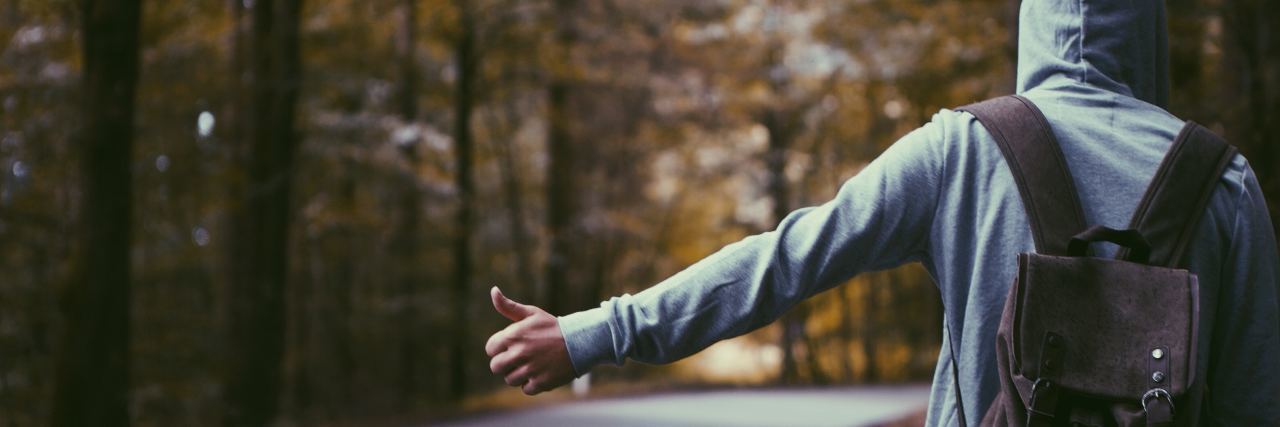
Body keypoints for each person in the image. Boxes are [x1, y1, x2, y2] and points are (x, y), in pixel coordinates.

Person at [483, 0, 1280, 424]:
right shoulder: (1225, 180)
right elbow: (1254, 405)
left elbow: (784, 261)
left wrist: (595, 333)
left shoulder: (962, 149)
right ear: (1152, 32)